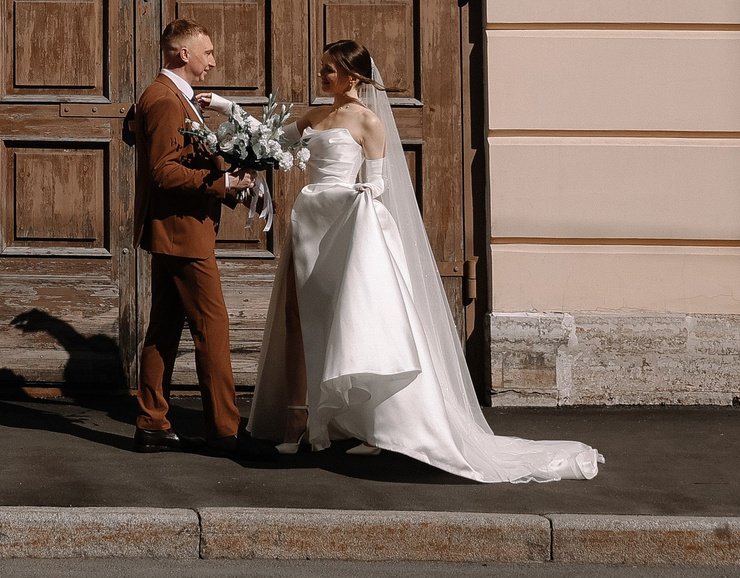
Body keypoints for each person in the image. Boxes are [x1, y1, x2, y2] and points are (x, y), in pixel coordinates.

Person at [243, 40, 602, 482]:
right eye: (322, 68)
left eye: (329, 70)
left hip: (344, 227)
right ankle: (299, 420)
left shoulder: (368, 121)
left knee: (350, 324)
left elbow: (378, 182)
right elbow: (270, 140)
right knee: (299, 322)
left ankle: (372, 425)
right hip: (309, 224)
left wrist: (362, 194)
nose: (322, 76)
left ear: (353, 76)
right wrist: (224, 107)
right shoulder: (314, 117)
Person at [124, 18, 270, 458]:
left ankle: (152, 423)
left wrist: (230, 172)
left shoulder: (172, 97)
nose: (213, 61)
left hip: (174, 231)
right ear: (183, 53)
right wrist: (223, 184)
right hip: (181, 233)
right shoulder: (165, 99)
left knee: (164, 329)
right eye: (207, 52)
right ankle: (225, 431)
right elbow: (164, 172)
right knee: (212, 328)